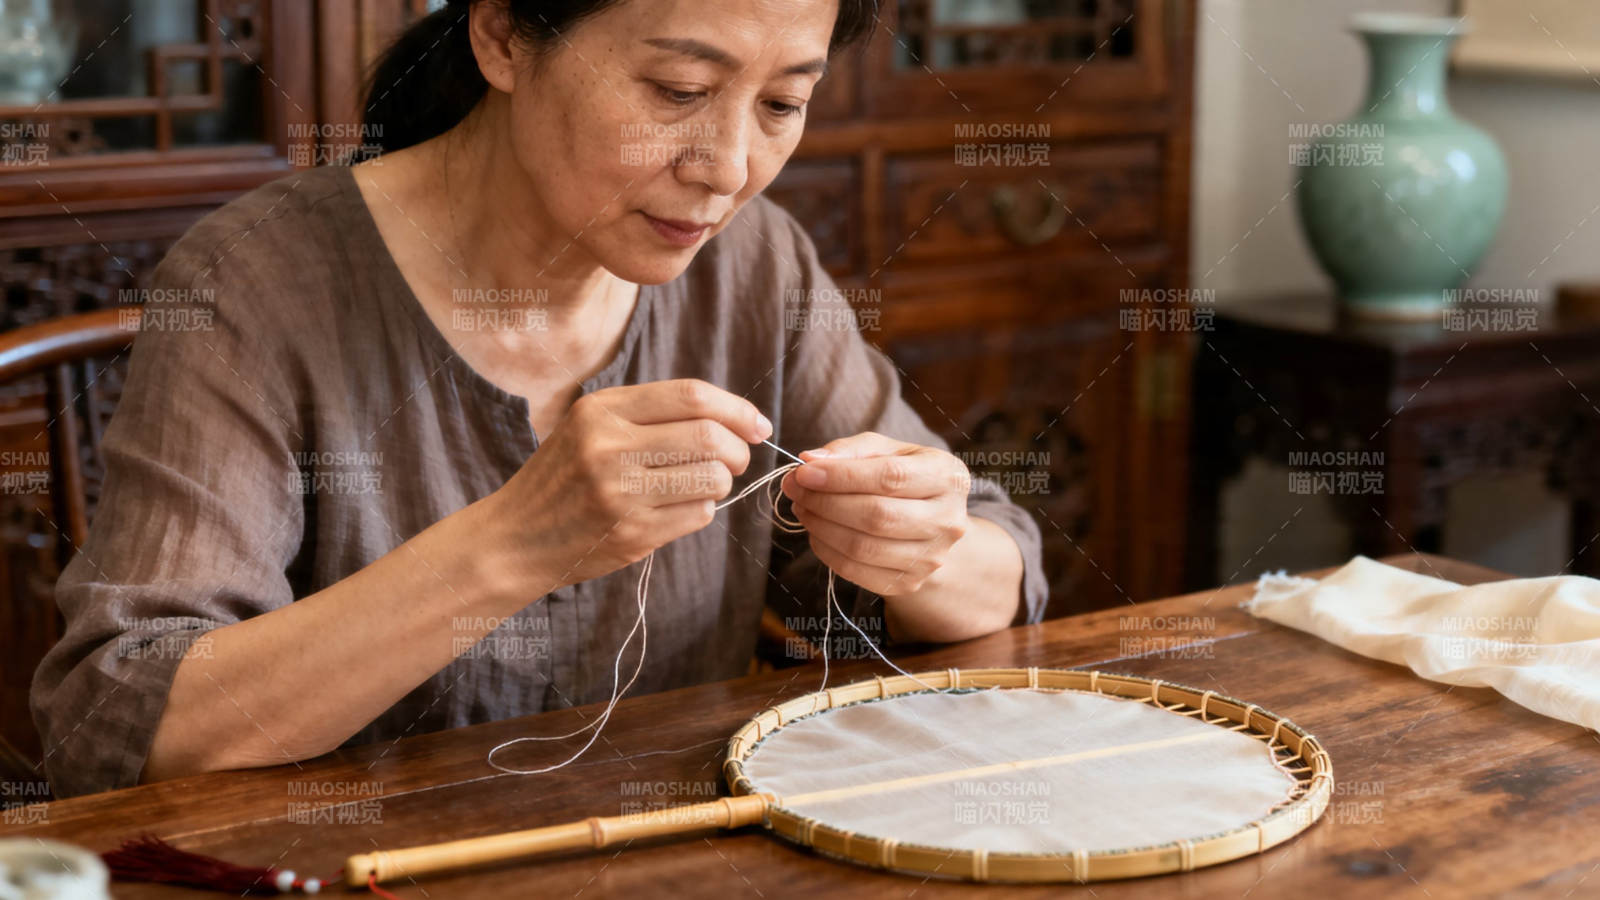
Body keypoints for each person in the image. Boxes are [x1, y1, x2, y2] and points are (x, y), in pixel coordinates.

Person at [31, 0, 1047, 799]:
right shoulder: (256, 283)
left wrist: (917, 544)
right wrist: (518, 541)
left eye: (782, 103)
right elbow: (119, 720)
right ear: (504, 36)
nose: (730, 167)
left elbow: (996, 573)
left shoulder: (755, 265)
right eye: (677, 87)